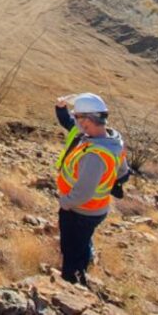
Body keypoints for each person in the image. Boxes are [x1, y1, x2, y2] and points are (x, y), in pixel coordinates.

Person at [54, 92, 128, 286]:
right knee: (83, 242)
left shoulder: (95, 155)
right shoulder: (113, 141)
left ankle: (72, 284)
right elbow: (123, 171)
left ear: (87, 121)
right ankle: (84, 264)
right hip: (97, 208)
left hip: (81, 211)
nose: (75, 121)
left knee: (71, 251)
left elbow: (84, 193)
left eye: (77, 117)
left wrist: (66, 202)